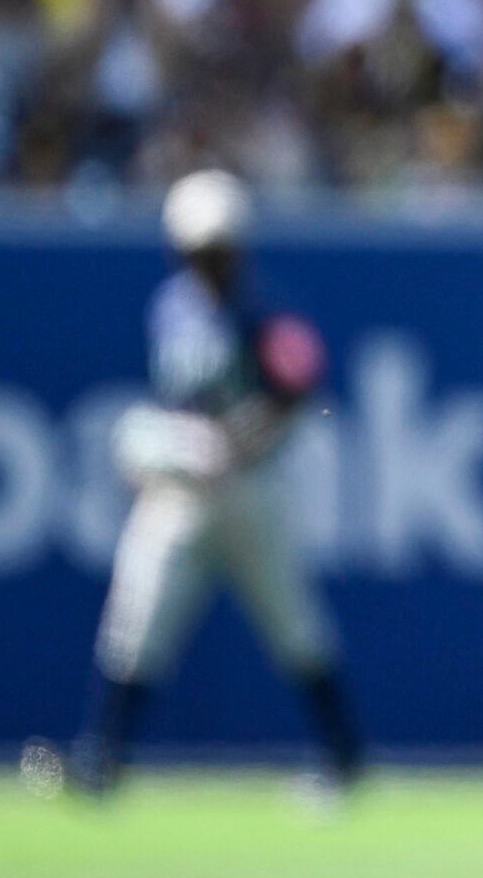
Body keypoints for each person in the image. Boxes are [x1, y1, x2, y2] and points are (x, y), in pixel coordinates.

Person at [61, 170, 360, 796]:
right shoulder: (171, 309)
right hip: (182, 494)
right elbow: (175, 405)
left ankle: (343, 759)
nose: (211, 264)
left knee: (295, 626)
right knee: (137, 621)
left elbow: (301, 389)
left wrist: (239, 442)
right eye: (201, 251)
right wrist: (167, 450)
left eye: (219, 251)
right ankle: (101, 761)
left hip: (251, 491)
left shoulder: (263, 312)